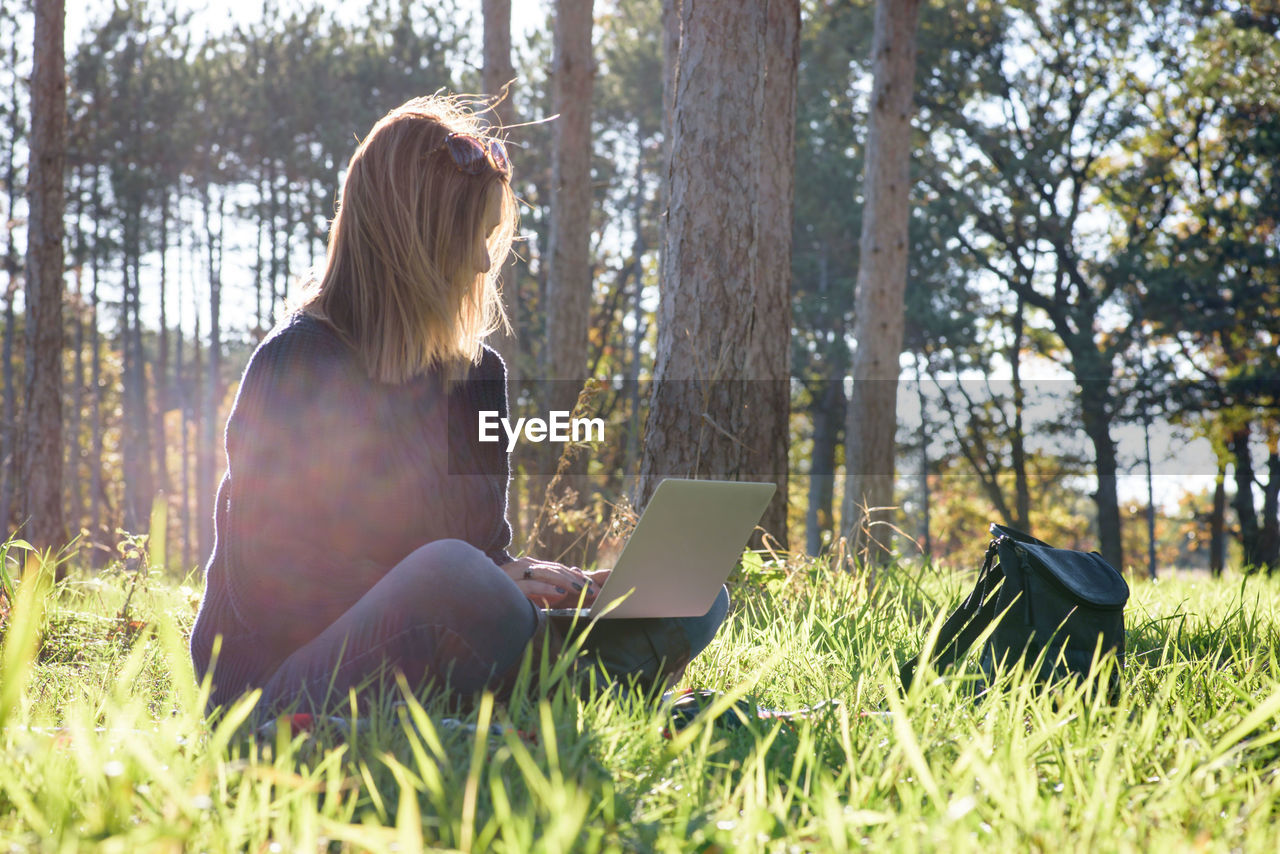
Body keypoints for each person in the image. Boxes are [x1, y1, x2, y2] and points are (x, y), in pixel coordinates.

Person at [188, 94, 729, 724]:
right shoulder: (300, 363)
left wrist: (540, 581)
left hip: (428, 656)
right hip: (280, 685)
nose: (480, 261)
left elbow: (482, 549)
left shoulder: (475, 378)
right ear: (407, 240)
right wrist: (477, 582)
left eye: (488, 236)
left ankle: (574, 691)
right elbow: (270, 591)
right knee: (451, 575)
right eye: (468, 236)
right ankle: (593, 697)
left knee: (687, 593)